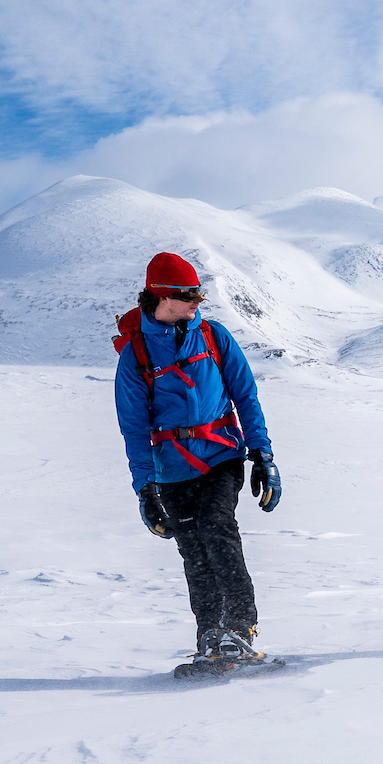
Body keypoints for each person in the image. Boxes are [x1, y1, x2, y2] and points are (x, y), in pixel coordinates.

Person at [113, 251, 283, 666]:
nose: (197, 303)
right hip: (171, 469)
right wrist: (145, 489)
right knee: (193, 549)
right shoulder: (135, 356)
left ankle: (239, 628)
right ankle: (210, 633)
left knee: (217, 527)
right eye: (189, 296)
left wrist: (263, 454)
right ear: (162, 297)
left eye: (198, 295)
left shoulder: (213, 336)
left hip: (221, 455)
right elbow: (134, 428)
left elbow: (245, 394)